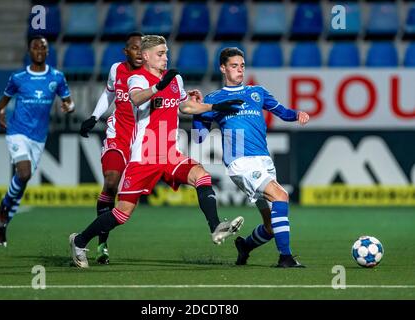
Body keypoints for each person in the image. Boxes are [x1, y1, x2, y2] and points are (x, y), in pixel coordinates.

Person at [69, 35, 244, 268]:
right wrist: (158, 86)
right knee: (122, 214)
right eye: (160, 54)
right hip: (144, 155)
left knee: (202, 175)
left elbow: (185, 105)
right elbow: (136, 98)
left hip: (170, 152)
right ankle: (79, 241)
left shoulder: (175, 78)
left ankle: (216, 227)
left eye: (167, 53)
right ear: (146, 56)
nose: (165, 57)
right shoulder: (136, 78)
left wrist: (214, 107)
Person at [192, 47, 310, 268]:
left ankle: (244, 246)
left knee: (271, 225)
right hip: (241, 163)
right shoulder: (215, 99)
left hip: (264, 161)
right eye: (234, 66)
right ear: (223, 68)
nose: (240, 70)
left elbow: (283, 112)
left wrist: (297, 114)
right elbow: (199, 137)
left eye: (242, 66)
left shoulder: (257, 92)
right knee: (281, 196)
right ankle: (285, 258)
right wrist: (199, 111)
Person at [0, 35, 74, 247]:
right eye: (35, 46)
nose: (39, 49)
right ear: (29, 51)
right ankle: (3, 209)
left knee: (22, 183)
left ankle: (2, 223)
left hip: (39, 138)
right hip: (17, 131)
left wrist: (69, 107)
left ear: (48, 52)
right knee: (24, 173)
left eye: (43, 47)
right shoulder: (18, 77)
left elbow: (69, 101)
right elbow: (3, 101)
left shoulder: (57, 77)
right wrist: (0, 112)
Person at [78, 32, 144, 264]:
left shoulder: (154, 73)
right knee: (112, 180)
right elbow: (109, 92)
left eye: (142, 48)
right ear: (126, 51)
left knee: (127, 205)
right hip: (118, 134)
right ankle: (102, 244)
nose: (139, 52)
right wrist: (95, 116)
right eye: (134, 48)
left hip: (143, 141)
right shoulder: (117, 69)